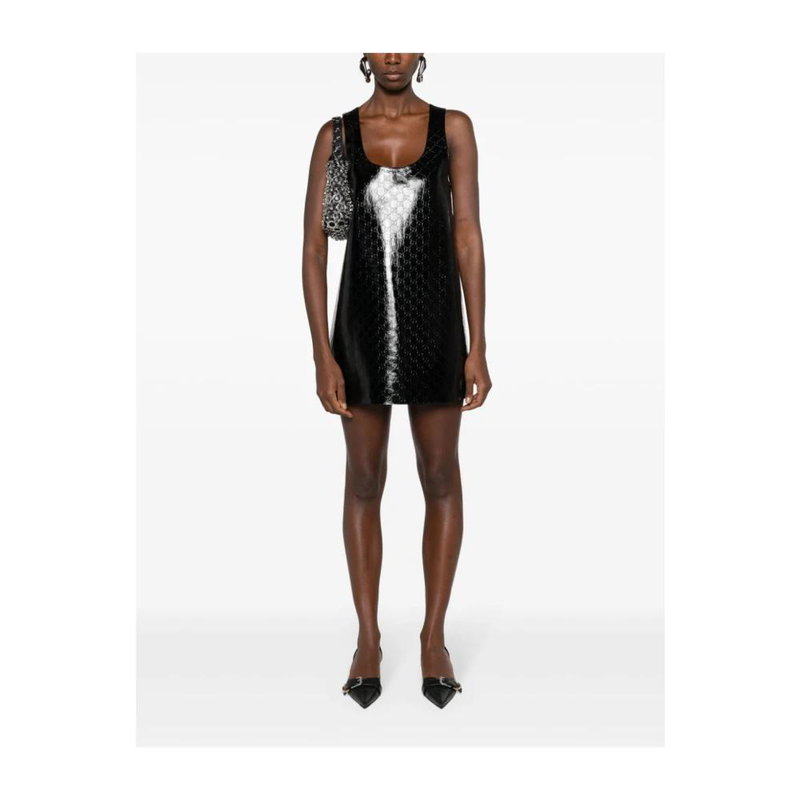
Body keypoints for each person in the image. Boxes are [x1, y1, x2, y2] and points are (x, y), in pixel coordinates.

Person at [301, 53, 492, 709]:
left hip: (436, 320)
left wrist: (478, 342)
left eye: (405, 41)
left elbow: (467, 233)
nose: (392, 54)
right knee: (364, 478)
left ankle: (434, 637)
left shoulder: (453, 127)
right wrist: (322, 353)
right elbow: (314, 247)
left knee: (440, 475)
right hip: (360, 326)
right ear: (364, 52)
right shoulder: (336, 135)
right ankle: (368, 638)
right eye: (381, 40)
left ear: (421, 53)